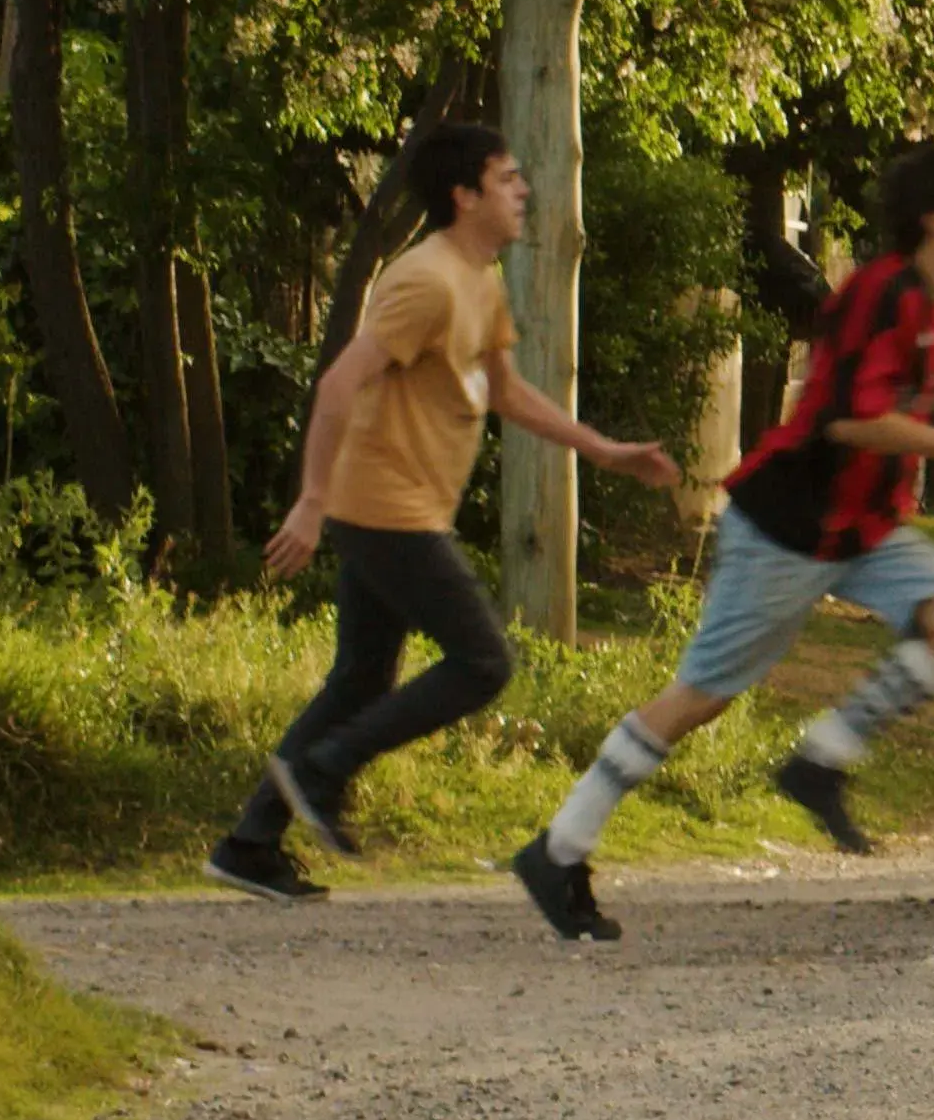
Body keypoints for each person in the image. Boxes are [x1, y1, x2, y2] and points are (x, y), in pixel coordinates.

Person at [513, 144, 934, 942]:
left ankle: (818, 761)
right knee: (702, 695)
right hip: (785, 526)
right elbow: (847, 419)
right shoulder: (880, 294)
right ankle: (558, 848)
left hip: (863, 527)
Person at [207, 124, 681, 903]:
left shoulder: (479, 279)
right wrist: (312, 503)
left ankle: (248, 845)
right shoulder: (424, 280)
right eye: (507, 178)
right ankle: (322, 772)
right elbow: (336, 386)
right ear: (465, 196)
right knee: (484, 661)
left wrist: (601, 449)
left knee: (360, 679)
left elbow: (505, 391)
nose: (523, 190)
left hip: (402, 505)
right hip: (385, 507)